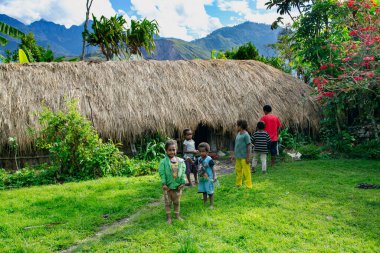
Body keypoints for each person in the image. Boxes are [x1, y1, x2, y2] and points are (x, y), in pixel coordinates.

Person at [158, 140, 186, 224]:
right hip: (168, 187)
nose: (172, 152)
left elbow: (183, 172)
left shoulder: (181, 161)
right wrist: (164, 184)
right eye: (169, 150)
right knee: (168, 203)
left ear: (176, 150)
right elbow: (162, 173)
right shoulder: (163, 162)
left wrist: (182, 183)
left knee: (177, 202)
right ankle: (168, 218)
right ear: (166, 150)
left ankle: (177, 216)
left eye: (173, 149)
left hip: (178, 186)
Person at [231, 119, 252, 189]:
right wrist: (234, 155)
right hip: (238, 156)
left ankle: (248, 186)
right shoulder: (238, 134)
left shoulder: (246, 135)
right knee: (238, 171)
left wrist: (248, 157)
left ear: (241, 126)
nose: (236, 127)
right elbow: (236, 145)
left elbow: (249, 146)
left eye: (237, 125)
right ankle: (238, 184)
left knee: (246, 172)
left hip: (244, 157)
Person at [196, 142, 216, 209]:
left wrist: (214, 176)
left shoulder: (209, 159)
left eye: (203, 151)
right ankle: (205, 202)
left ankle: (211, 204)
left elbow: (213, 168)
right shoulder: (199, 159)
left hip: (208, 178)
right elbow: (195, 165)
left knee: (210, 192)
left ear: (207, 151)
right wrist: (189, 160)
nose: (201, 153)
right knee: (204, 191)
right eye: (200, 151)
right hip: (202, 178)